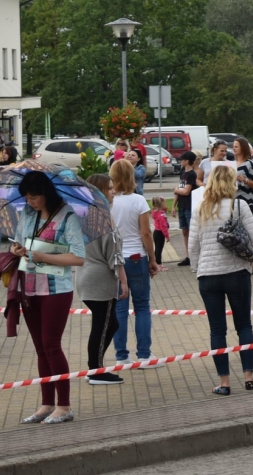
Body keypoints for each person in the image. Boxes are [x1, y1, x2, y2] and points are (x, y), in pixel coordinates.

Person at [10, 171, 87, 424]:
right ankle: (47, 404)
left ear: (46, 194)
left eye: (34, 197)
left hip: (56, 289)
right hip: (29, 287)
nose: (30, 202)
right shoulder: (27, 215)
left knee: (52, 345)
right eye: (27, 198)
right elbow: (21, 246)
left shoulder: (67, 216)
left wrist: (42, 257)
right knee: (40, 349)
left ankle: (64, 406)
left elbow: (78, 257)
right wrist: (17, 250)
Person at [191, 165, 253, 395]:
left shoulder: (200, 209)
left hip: (208, 277)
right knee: (244, 325)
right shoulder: (239, 205)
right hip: (237, 273)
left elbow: (192, 247)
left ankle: (224, 383)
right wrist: (252, 258)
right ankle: (248, 376)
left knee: (217, 330)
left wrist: (199, 269)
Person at [78, 173, 128, 385]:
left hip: (85, 275)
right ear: (99, 191)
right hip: (100, 278)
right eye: (109, 188)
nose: (113, 191)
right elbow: (114, 255)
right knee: (103, 324)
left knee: (109, 323)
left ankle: (95, 367)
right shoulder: (103, 217)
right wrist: (123, 281)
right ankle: (96, 370)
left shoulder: (84, 215)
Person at [110, 160, 160, 366]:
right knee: (141, 306)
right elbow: (146, 233)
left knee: (119, 308)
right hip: (137, 257)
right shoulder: (138, 201)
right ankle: (144, 354)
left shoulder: (108, 203)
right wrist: (153, 258)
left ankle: (121, 355)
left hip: (116, 258)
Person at [172, 151, 197, 267]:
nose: (180, 161)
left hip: (189, 206)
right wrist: (173, 206)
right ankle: (188, 255)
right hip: (181, 206)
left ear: (187, 161)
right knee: (184, 230)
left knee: (191, 230)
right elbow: (180, 189)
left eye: (182, 159)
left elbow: (186, 191)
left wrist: (176, 190)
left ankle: (193, 255)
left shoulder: (192, 174)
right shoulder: (182, 173)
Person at [150, 197, 169, 266]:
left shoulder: (155, 212)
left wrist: (163, 200)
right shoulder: (161, 215)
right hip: (160, 233)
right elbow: (163, 227)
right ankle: (158, 264)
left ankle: (156, 262)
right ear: (161, 205)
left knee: (157, 248)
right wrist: (167, 236)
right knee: (159, 249)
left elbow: (165, 208)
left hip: (156, 232)